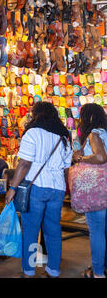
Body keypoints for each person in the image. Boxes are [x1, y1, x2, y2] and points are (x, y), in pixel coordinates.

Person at [5, 102, 72, 278]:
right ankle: (53, 271)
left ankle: (28, 272)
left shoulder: (32, 133)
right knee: (54, 231)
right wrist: (64, 189)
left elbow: (25, 164)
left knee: (31, 231)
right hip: (57, 189)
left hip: (36, 188)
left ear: (36, 115)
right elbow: (66, 169)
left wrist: (12, 188)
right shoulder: (63, 138)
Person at [71, 103, 107, 278]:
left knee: (97, 231)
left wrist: (81, 157)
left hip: (97, 190)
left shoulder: (94, 134)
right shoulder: (105, 134)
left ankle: (98, 272)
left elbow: (100, 157)